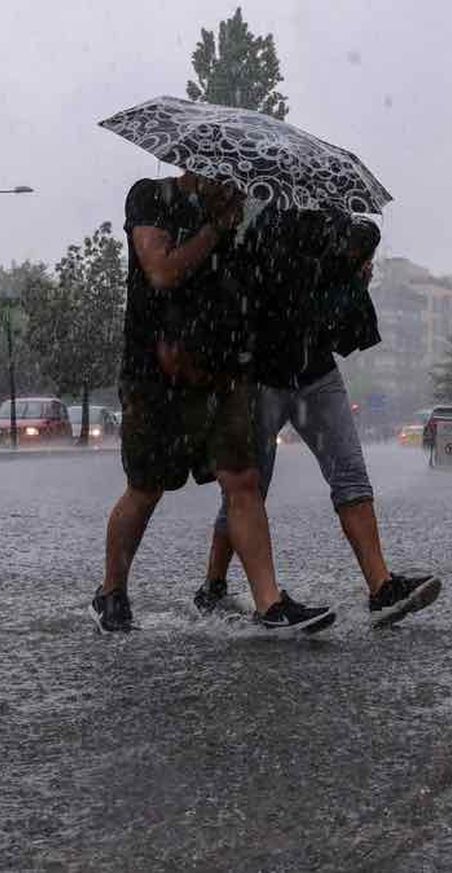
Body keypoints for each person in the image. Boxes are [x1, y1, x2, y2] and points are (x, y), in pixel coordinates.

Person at [91, 171, 336, 635]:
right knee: (146, 487)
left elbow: (243, 284)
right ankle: (112, 592)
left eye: (233, 179)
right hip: (155, 376)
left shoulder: (230, 214)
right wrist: (215, 230)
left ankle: (270, 603)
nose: (228, 183)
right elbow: (161, 271)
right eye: (220, 176)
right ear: (193, 166)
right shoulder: (149, 196)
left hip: (222, 370)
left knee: (242, 480)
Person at [196, 212, 442, 628]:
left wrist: (353, 280)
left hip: (316, 373)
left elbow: (332, 315)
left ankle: (381, 587)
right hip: (262, 376)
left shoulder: (330, 231)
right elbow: (266, 299)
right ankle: (215, 586)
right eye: (358, 254)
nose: (359, 257)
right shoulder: (264, 229)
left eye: (363, 254)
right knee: (247, 490)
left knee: (351, 476)